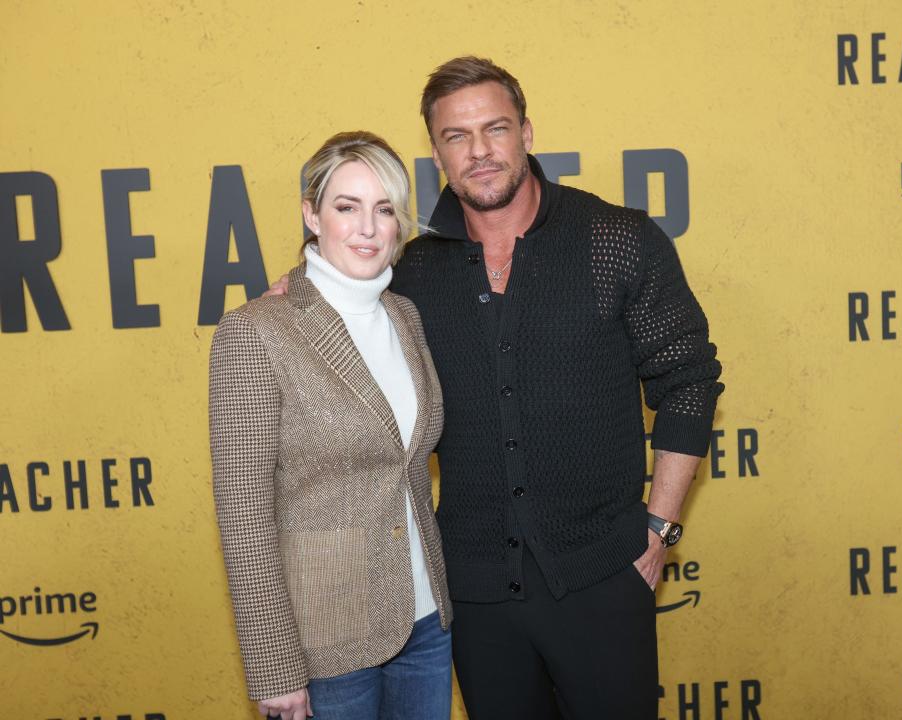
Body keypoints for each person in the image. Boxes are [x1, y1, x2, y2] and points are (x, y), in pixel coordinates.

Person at [269, 57, 723, 720]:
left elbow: (689, 377)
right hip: (474, 594)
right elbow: (338, 277)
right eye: (457, 136)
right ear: (436, 153)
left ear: (528, 133)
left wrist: (657, 527)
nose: (479, 152)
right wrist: (295, 289)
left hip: (603, 576)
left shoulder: (616, 241)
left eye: (495, 129)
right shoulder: (410, 270)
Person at [209, 131, 452, 720]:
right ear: (311, 214)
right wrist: (274, 665)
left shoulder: (405, 315)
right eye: (347, 207)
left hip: (426, 621)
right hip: (325, 642)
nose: (367, 227)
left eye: (384, 208)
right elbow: (244, 513)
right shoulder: (256, 332)